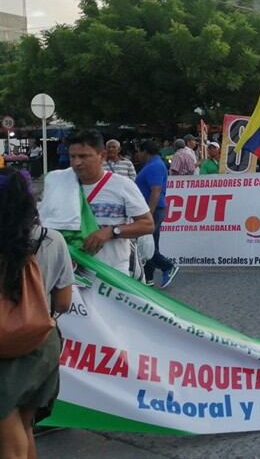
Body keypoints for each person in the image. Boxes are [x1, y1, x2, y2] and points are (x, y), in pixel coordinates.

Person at [0, 168, 73, 459]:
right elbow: (64, 302)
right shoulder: (52, 239)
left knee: (7, 430)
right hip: (42, 342)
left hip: (4, 351)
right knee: (24, 425)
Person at [63, 130, 154, 274]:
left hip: (112, 274)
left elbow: (147, 224)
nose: (76, 162)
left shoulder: (123, 185)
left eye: (83, 156)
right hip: (71, 275)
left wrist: (112, 231)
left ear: (102, 156)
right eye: (72, 157)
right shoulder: (61, 185)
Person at [135, 140, 180, 288]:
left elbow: (156, 191)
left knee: (145, 244)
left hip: (152, 209)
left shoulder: (154, 166)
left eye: (139, 151)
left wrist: (148, 213)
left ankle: (167, 266)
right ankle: (148, 277)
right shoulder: (154, 164)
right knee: (150, 242)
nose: (137, 155)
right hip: (152, 208)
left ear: (145, 152)